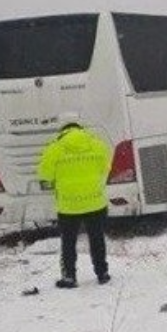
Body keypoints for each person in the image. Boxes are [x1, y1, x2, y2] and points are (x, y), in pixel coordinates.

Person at [37, 113, 113, 289]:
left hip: (68, 205)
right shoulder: (97, 144)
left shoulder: (54, 148)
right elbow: (106, 168)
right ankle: (102, 273)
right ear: (80, 127)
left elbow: (45, 175)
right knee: (97, 238)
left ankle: (69, 277)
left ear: (63, 129)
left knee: (68, 242)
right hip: (95, 202)